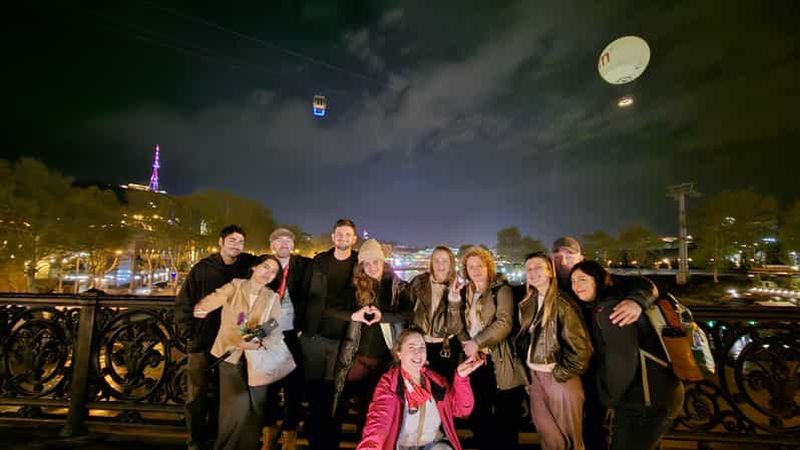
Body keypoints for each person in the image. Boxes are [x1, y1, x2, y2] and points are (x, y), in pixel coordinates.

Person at [551, 236, 657, 450]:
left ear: (581, 258)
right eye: (557, 256)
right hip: (571, 368)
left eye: (569, 255)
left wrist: (636, 301)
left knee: (599, 427)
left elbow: (645, 285)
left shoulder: (601, 281)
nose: (563, 261)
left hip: (603, 370)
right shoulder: (549, 286)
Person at [570, 261, 684, 450]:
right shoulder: (617, 300)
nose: (576, 286)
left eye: (582, 279)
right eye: (573, 281)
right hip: (658, 394)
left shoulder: (611, 311)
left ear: (598, 280)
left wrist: (609, 398)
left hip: (644, 401)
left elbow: (621, 361)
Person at [175, 225, 258, 450]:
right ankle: (195, 441)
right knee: (196, 396)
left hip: (231, 343)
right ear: (220, 242)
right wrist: (189, 333)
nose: (236, 245)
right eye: (232, 240)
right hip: (203, 341)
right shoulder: (202, 268)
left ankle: (218, 440)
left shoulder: (246, 266)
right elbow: (184, 302)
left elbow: (268, 268)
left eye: (240, 242)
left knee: (225, 396)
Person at [193, 255, 287, 450]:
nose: (268, 273)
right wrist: (203, 307)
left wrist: (256, 340)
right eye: (265, 267)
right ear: (254, 267)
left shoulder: (272, 297)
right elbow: (217, 296)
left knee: (254, 411)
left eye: (273, 272)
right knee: (234, 409)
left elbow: (274, 325)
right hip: (230, 355)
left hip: (257, 359)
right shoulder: (235, 286)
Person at [332, 238, 414, 430]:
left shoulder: (398, 286)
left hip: (382, 360)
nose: (372, 267)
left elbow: (408, 313)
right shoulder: (355, 287)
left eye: (375, 261)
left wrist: (382, 317)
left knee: (369, 410)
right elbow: (332, 309)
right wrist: (354, 315)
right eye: (366, 263)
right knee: (338, 405)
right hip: (356, 356)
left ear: (382, 261)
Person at [513, 252, 592, 450]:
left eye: (538, 267)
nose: (532, 272)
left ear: (550, 271)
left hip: (560, 378)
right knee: (547, 434)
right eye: (529, 269)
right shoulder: (528, 302)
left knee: (570, 439)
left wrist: (559, 373)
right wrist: (529, 376)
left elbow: (582, 349)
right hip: (535, 378)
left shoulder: (562, 303)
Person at [450, 246, 526, 450]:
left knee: (505, 416)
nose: (475, 270)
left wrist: (477, 342)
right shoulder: (466, 292)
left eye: (480, 265)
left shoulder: (501, 290)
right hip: (475, 361)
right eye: (471, 267)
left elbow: (504, 322)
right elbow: (457, 327)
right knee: (479, 413)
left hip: (499, 359)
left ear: (488, 267)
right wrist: (454, 303)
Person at [356, 328, 484, 450]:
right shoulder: (391, 384)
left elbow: (462, 410)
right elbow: (378, 425)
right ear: (399, 354)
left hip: (435, 445)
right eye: (411, 348)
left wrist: (461, 378)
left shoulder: (437, 382)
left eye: (422, 347)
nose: (418, 353)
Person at [301, 219, 359, 450]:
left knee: (336, 392)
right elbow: (304, 292)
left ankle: (331, 440)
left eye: (348, 235)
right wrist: (301, 326)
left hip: (343, 338)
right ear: (333, 237)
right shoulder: (319, 261)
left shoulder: (359, 263)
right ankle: (315, 440)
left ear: (354, 239)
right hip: (314, 334)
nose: (343, 238)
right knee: (315, 391)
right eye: (339, 234)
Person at [261, 228, 311, 450]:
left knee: (294, 387)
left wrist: (304, 325)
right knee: (269, 387)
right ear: (272, 245)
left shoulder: (304, 266)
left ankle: (289, 435)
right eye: (279, 241)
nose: (283, 244)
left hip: (293, 333)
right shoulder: (264, 266)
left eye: (287, 240)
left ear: (293, 245)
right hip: (269, 334)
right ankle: (268, 434)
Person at [407, 246, 463, 380]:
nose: (440, 265)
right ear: (431, 263)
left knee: (443, 386)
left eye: (444, 261)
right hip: (419, 344)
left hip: (445, 347)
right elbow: (407, 311)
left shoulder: (459, 287)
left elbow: (455, 329)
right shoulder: (419, 282)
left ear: (451, 263)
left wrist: (454, 302)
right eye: (436, 260)